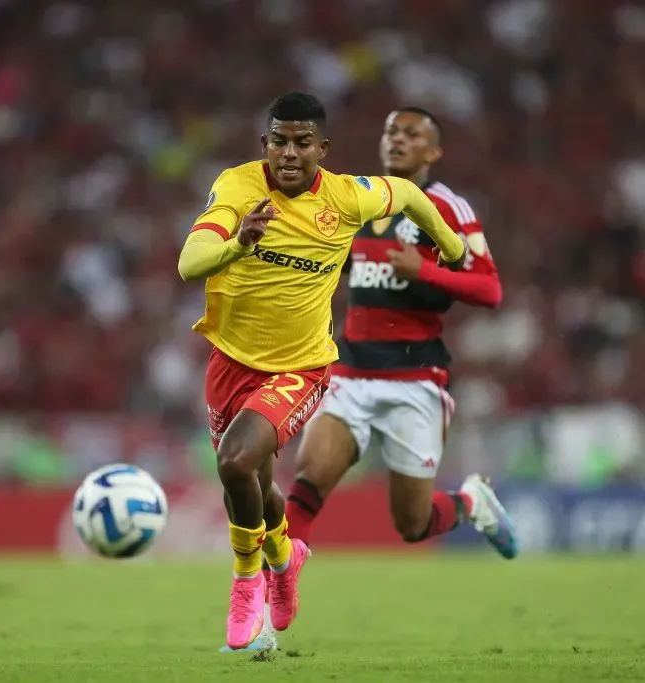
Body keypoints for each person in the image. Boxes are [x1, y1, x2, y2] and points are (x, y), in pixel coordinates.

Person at [178, 93, 469, 650]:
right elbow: (189, 263)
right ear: (264, 145)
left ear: (322, 149)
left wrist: (451, 248)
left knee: (236, 460)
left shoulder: (347, 197)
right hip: (230, 362)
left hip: (302, 367)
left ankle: (247, 584)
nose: (290, 152)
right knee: (254, 483)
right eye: (279, 141)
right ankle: (285, 559)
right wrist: (238, 244)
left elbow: (408, 193)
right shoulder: (239, 188)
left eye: (302, 142)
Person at [283, 107, 519, 559]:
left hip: (414, 379)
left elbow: (488, 289)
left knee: (412, 523)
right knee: (306, 486)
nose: (397, 140)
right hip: (349, 372)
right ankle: (266, 617)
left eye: (412, 134)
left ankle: (472, 502)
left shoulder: (449, 206)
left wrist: (425, 271)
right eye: (391, 131)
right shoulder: (357, 198)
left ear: (433, 151)